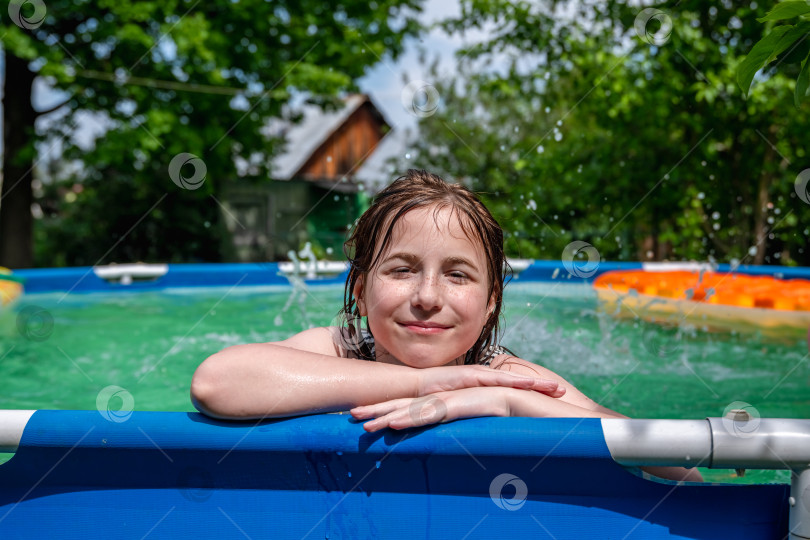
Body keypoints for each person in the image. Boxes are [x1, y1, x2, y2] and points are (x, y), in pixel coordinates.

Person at [191, 169, 701, 482]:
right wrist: (426, 382)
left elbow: (684, 470)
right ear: (363, 292)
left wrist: (510, 402)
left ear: (489, 303)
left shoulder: (503, 376)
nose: (428, 297)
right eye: (401, 269)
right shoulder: (339, 349)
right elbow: (216, 382)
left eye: (458, 275)